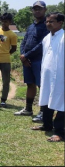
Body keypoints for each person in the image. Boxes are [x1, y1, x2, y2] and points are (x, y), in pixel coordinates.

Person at [31, 12, 64, 142]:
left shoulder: (63, 37)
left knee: (62, 103)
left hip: (61, 77)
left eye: (51, 21)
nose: (48, 23)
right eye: (47, 21)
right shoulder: (46, 38)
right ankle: (47, 125)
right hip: (47, 76)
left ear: (60, 23)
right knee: (46, 99)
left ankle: (60, 132)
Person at [14, 1, 50, 123]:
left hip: (39, 60)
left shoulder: (47, 25)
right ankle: (28, 109)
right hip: (27, 60)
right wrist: (22, 55)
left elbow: (42, 44)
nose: (37, 11)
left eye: (39, 9)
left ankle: (43, 111)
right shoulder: (31, 26)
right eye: (35, 9)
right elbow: (24, 42)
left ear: (45, 10)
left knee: (42, 86)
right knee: (30, 84)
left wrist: (26, 55)